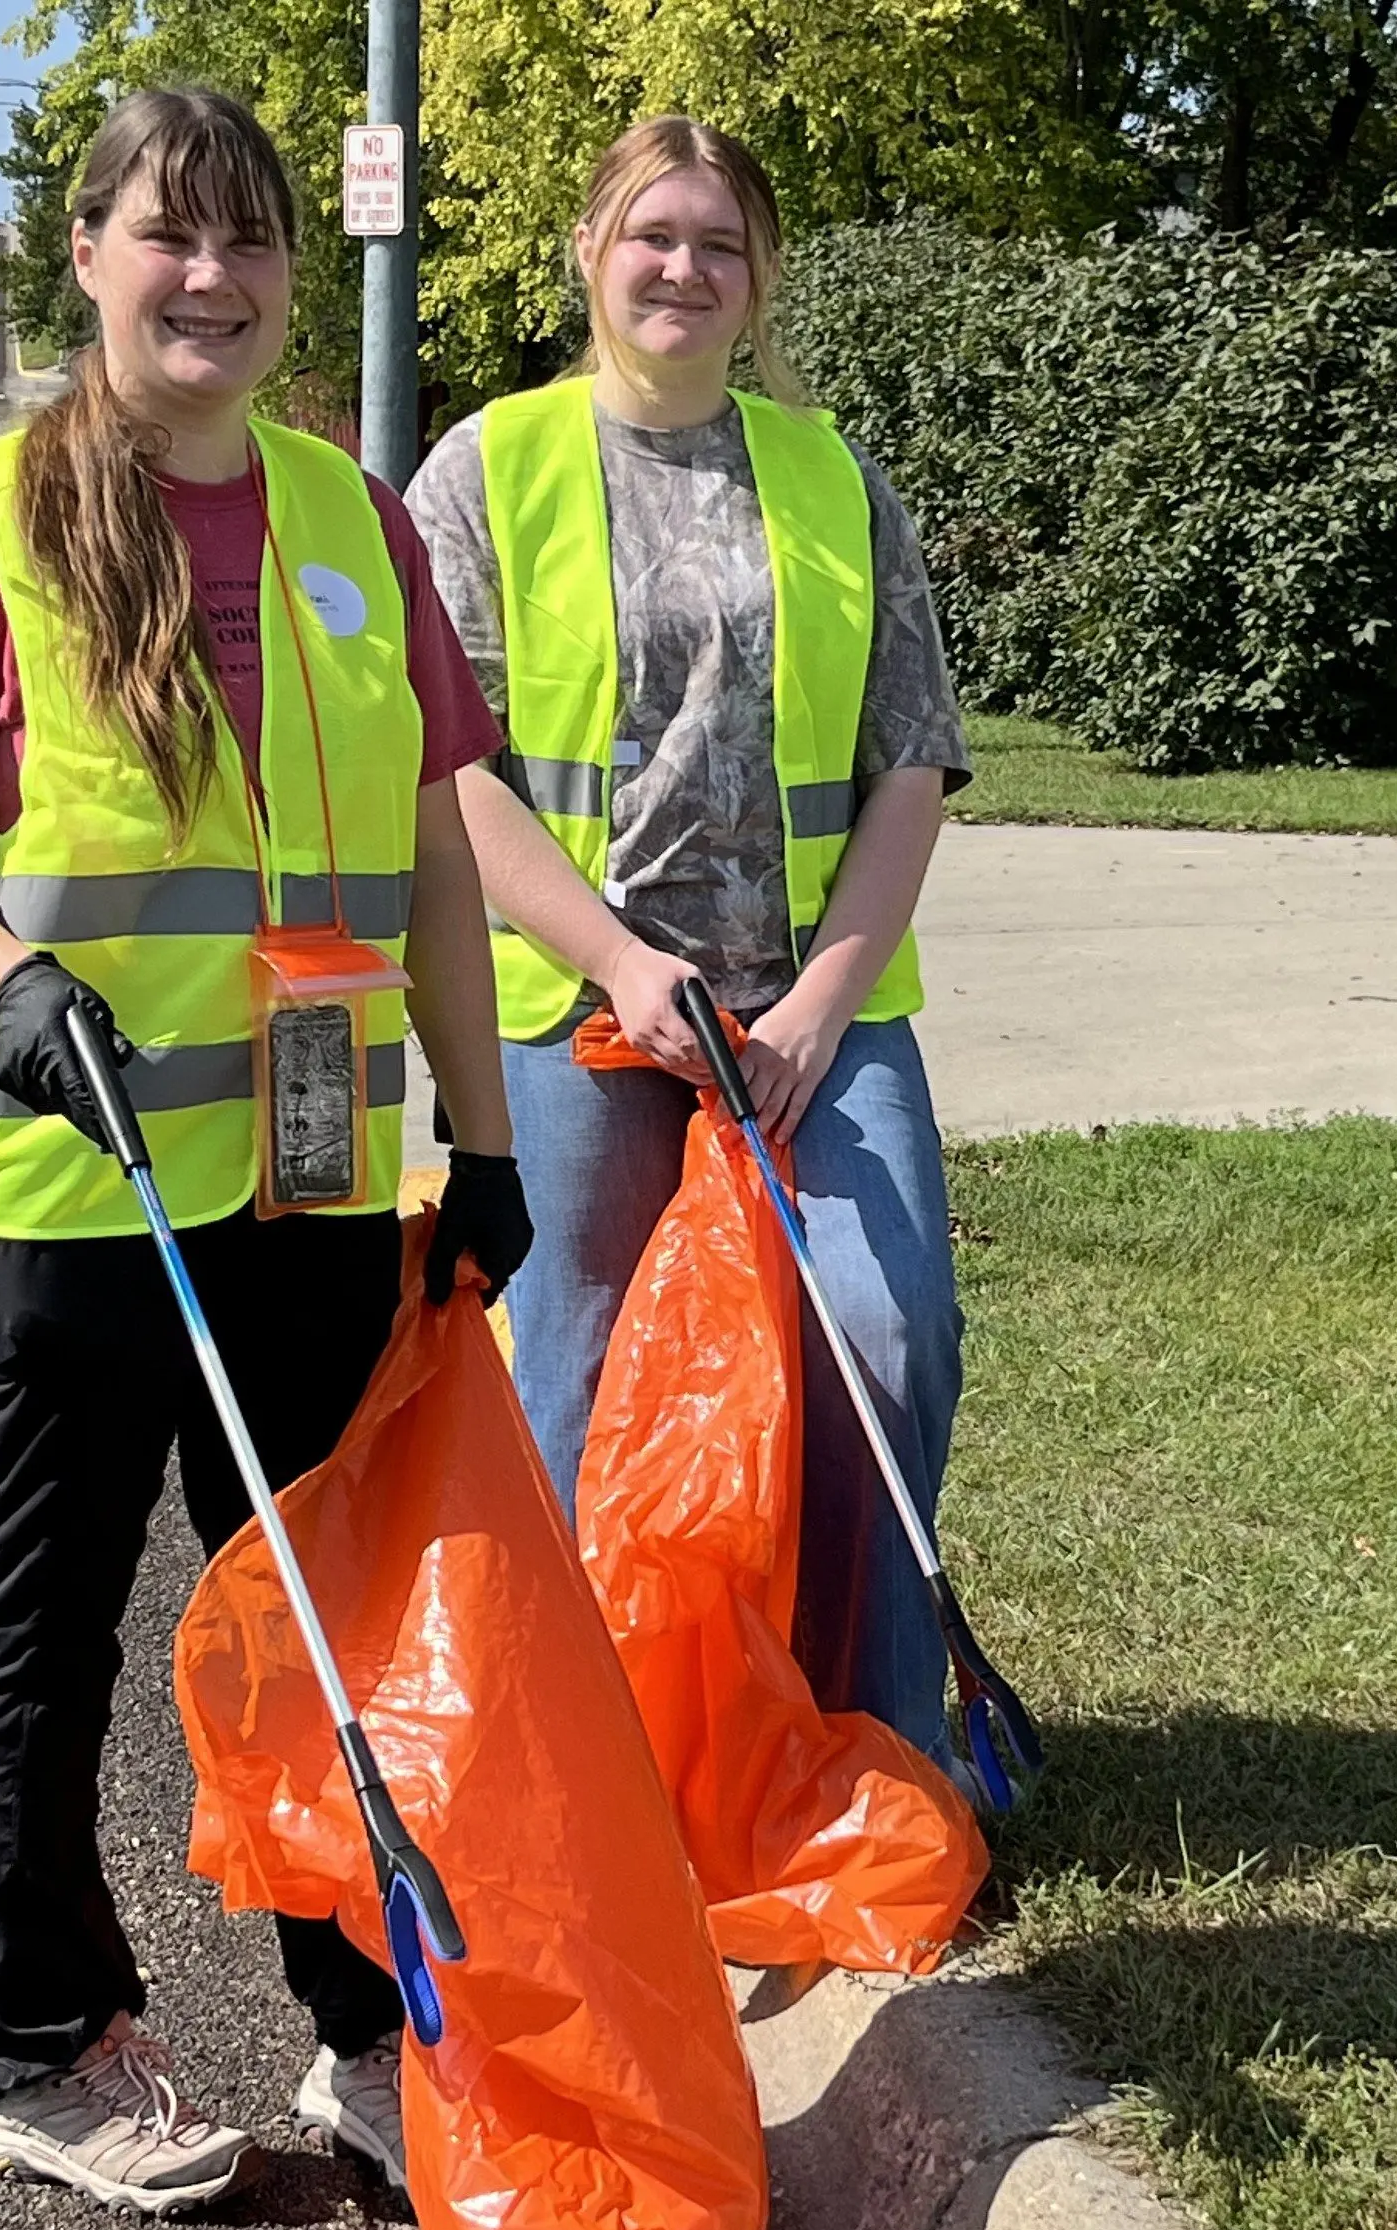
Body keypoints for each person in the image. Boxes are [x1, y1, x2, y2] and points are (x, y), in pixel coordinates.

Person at [0, 87, 529, 2214]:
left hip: (311, 1189)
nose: (211, 278)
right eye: (170, 237)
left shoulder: (354, 517)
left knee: (316, 1615)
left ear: (290, 276)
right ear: (87, 256)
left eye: (247, 243)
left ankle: (362, 2033)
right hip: (64, 1192)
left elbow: (429, 846)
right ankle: (40, 2049)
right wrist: (14, 980)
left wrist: (484, 1143)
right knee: (45, 1626)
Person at [406, 117, 973, 1774]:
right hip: (582, 1013)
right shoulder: (485, 468)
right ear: (592, 250)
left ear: (759, 281)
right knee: (576, 1375)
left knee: (885, 1332)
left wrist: (812, 1009)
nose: (682, 268)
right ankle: (588, 1760)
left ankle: (861, 1738)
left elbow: (910, 763)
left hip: (810, 1012)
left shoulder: (828, 476)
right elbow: (459, 774)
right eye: (653, 233)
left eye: (719, 243)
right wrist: (614, 961)